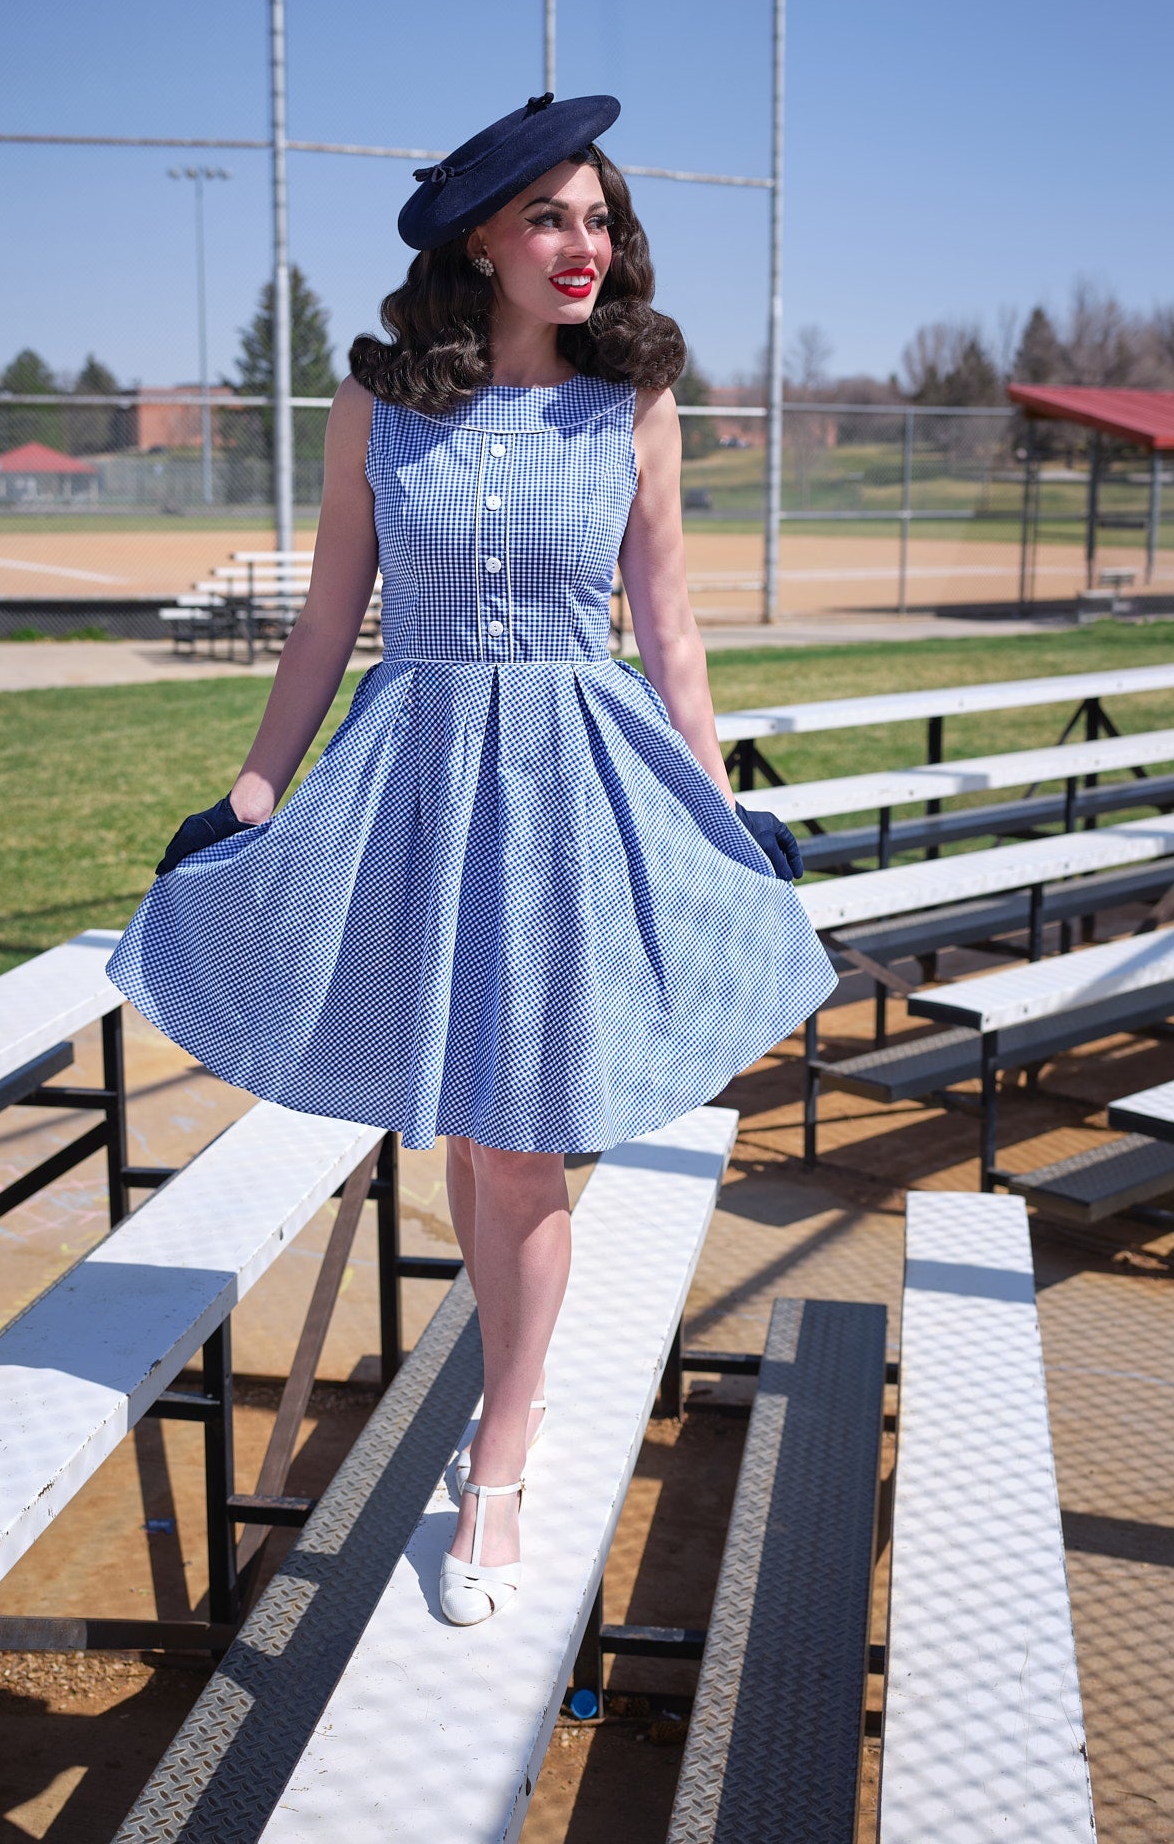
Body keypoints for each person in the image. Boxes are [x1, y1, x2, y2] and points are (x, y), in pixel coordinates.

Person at [106, 92, 836, 1629]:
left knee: (524, 1137)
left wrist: (720, 802)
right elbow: (326, 619)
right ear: (483, 238)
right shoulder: (376, 405)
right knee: (463, 1121)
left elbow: (670, 625)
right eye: (553, 218)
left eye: (603, 222)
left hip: (574, 784)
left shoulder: (632, 402)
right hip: (420, 781)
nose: (587, 247)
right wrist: (250, 789)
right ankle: (517, 1386)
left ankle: (501, 1445)